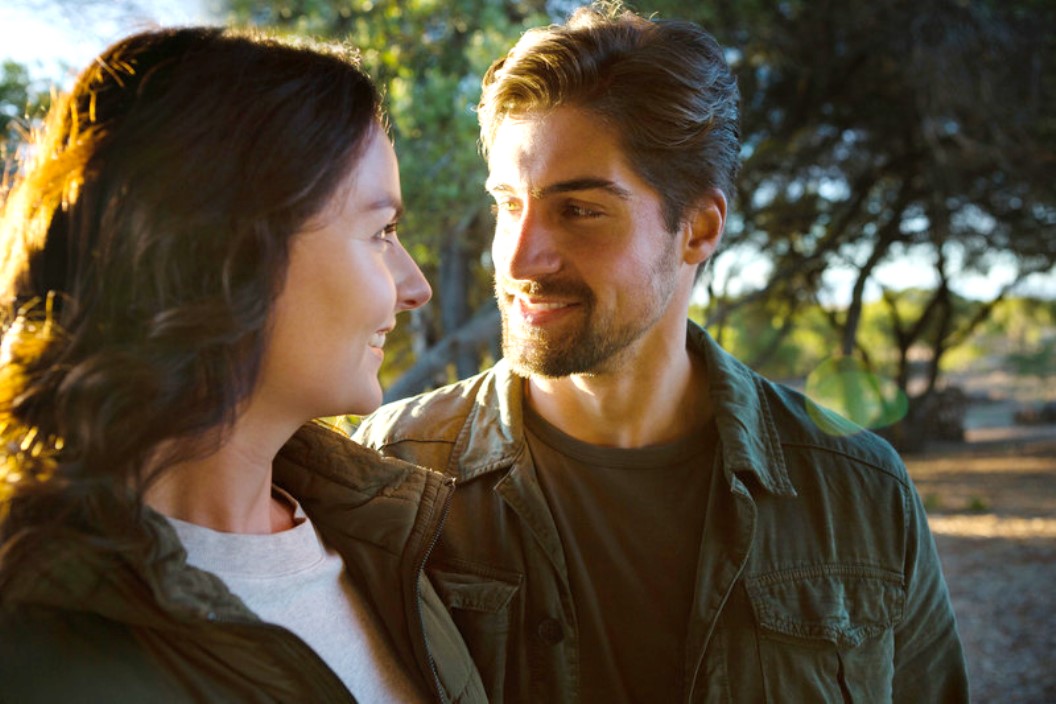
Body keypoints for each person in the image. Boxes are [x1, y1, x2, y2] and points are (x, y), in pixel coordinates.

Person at [354, 2, 970, 702]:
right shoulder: (389, 475)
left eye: (579, 209)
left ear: (699, 229)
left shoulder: (861, 494)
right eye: (508, 205)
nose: (521, 257)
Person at [0, 26, 485, 703]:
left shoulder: (384, 536)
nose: (415, 288)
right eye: (380, 232)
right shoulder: (39, 644)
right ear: (231, 253)